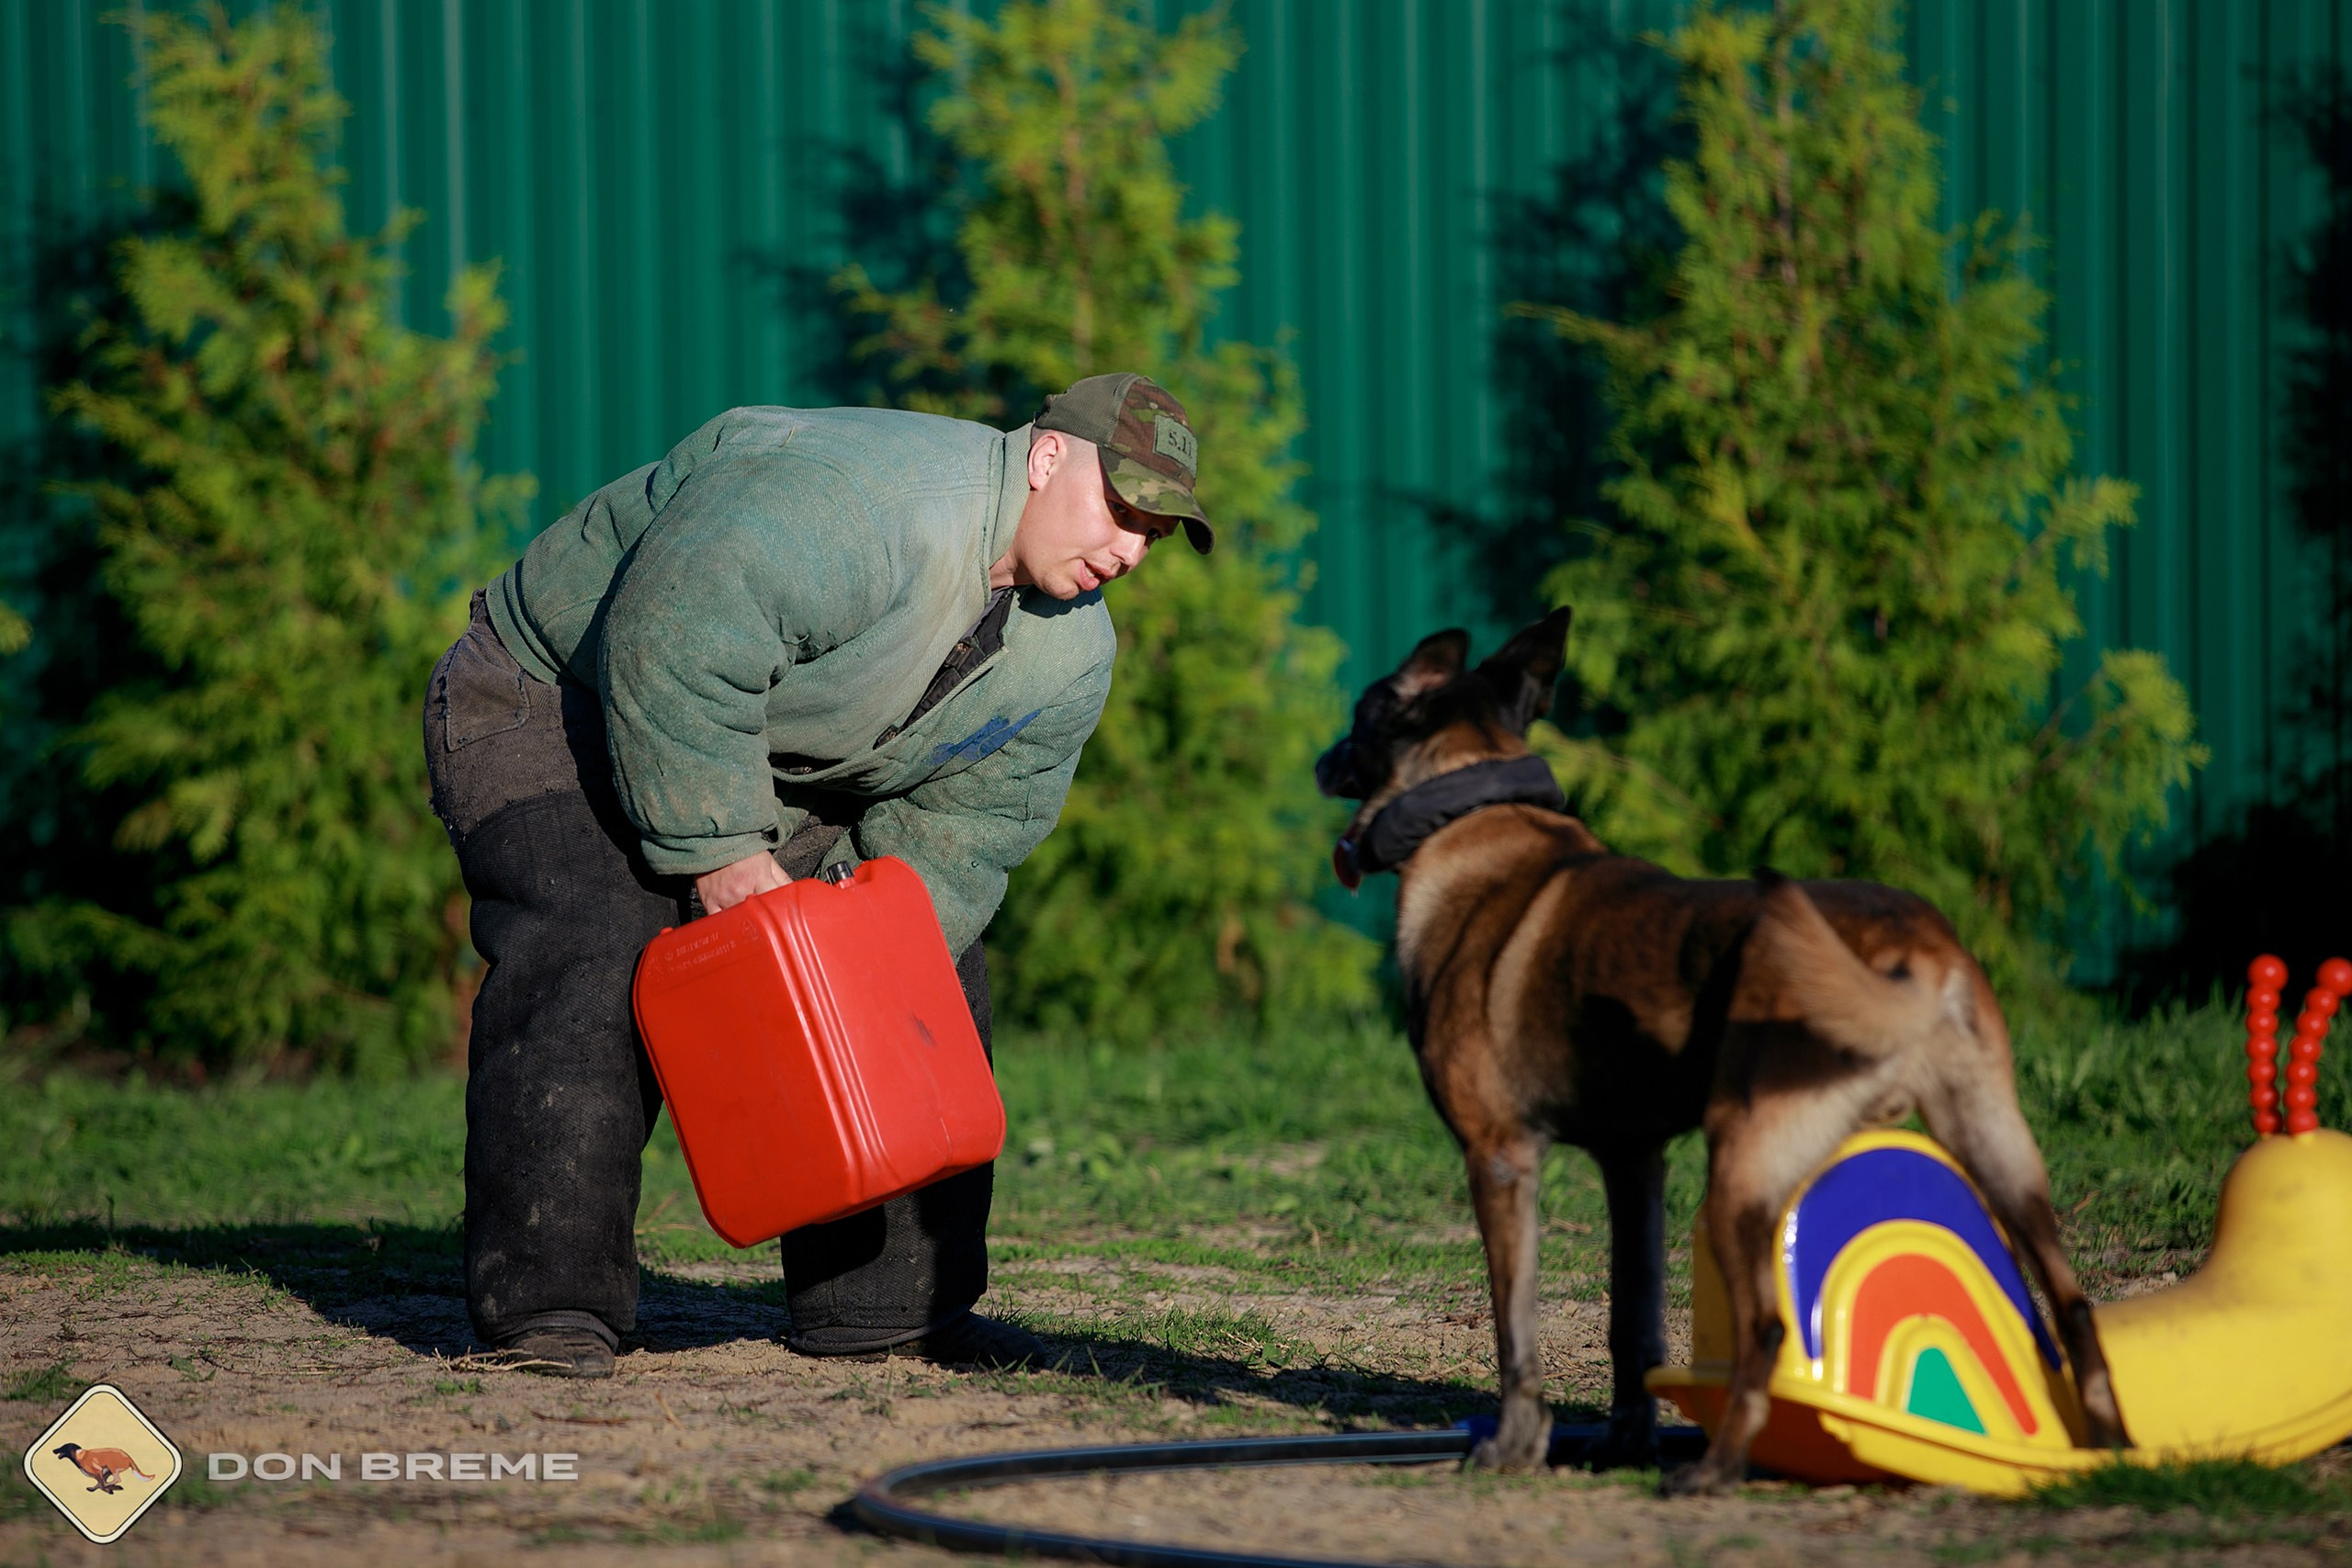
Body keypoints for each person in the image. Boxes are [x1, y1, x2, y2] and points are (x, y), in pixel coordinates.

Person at [422, 374, 1210, 1378]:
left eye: (1155, 533)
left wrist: (863, 956)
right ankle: (551, 1311)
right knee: (595, 940)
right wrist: (721, 854)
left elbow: (967, 831)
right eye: (1122, 509)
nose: (1131, 550)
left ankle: (890, 1312)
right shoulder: (865, 500)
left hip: (763, 757)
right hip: (549, 696)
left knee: (920, 970)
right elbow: (675, 633)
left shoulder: (1074, 656)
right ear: (1048, 456)